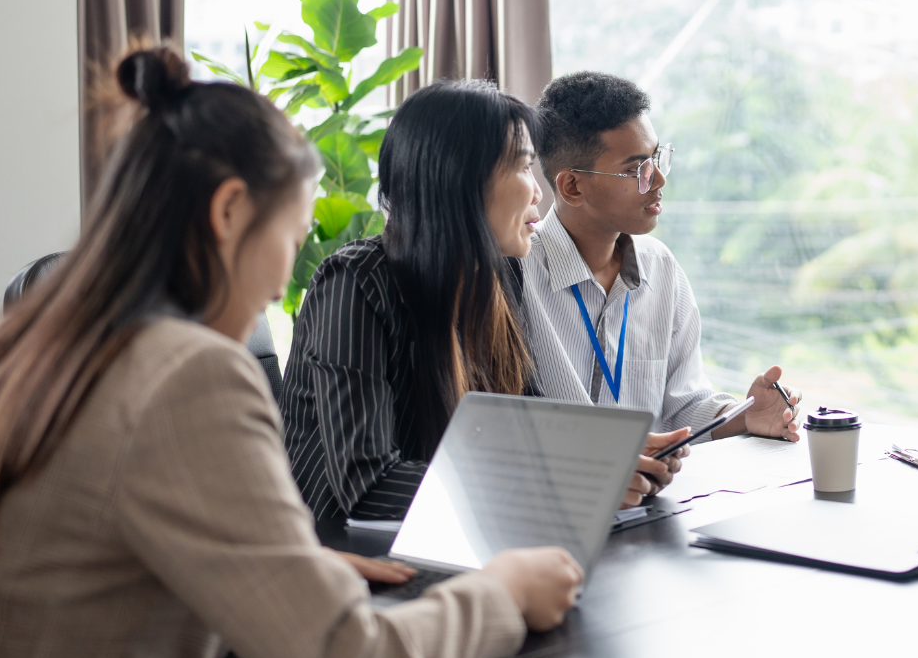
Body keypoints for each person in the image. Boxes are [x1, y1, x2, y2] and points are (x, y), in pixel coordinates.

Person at [0, 46, 584, 658]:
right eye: (291, 234)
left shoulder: (13, 354)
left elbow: (92, 568)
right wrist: (503, 595)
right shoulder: (186, 375)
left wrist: (293, 568)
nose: (283, 280)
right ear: (227, 213)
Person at [281, 79, 687, 521]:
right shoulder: (357, 282)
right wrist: (573, 478)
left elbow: (526, 428)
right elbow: (368, 485)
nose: (538, 192)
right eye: (523, 168)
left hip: (450, 544)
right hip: (348, 560)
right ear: (460, 179)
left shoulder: (498, 277)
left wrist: (615, 454)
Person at [522, 71, 801, 444]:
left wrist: (745, 416)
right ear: (572, 187)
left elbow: (682, 407)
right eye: (636, 169)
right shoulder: (515, 272)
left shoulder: (661, 268)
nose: (658, 182)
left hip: (650, 493)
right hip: (557, 494)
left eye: (656, 159)